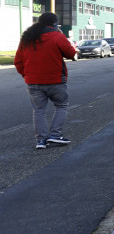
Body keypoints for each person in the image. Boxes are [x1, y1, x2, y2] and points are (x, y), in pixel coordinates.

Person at [14, 12, 79, 149]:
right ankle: (55, 135)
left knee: (39, 111)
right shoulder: (57, 36)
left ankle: (41, 141)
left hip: (33, 82)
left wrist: (26, 76)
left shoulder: (27, 38)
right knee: (61, 106)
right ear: (54, 23)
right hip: (55, 80)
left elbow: (18, 61)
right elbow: (71, 53)